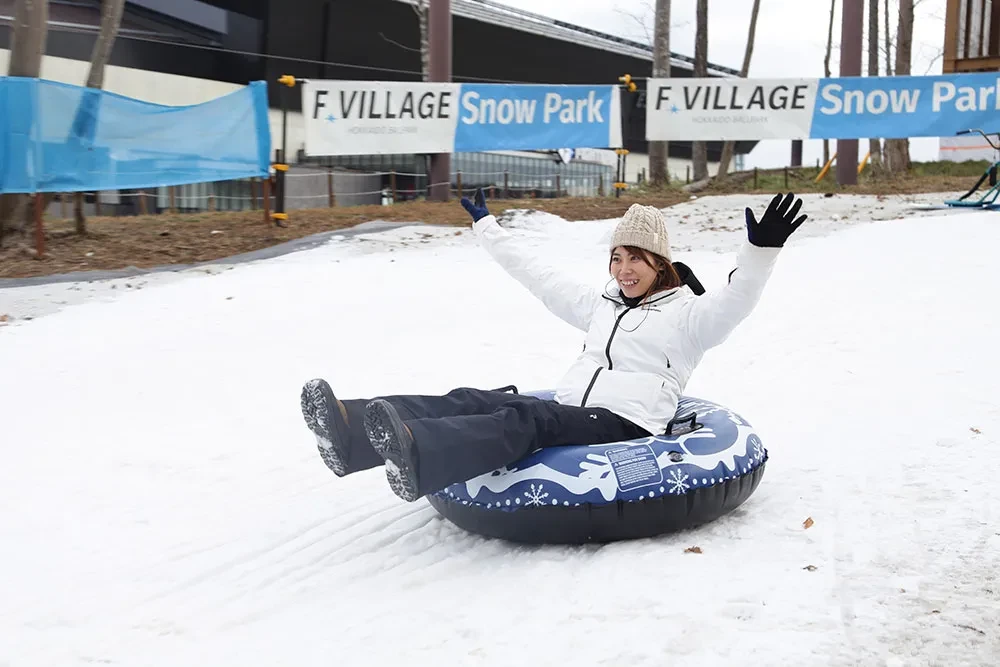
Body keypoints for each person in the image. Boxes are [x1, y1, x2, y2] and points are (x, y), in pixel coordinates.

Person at [300, 190, 807, 503]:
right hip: (575, 408)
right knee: (478, 399)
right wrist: (487, 227)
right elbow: (536, 275)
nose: (623, 269)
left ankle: (418, 453)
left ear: (660, 264)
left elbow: (739, 298)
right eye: (616, 257)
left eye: (636, 259)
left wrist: (760, 250)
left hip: (626, 422)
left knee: (530, 420)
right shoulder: (600, 304)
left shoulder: (690, 316)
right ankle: (350, 430)